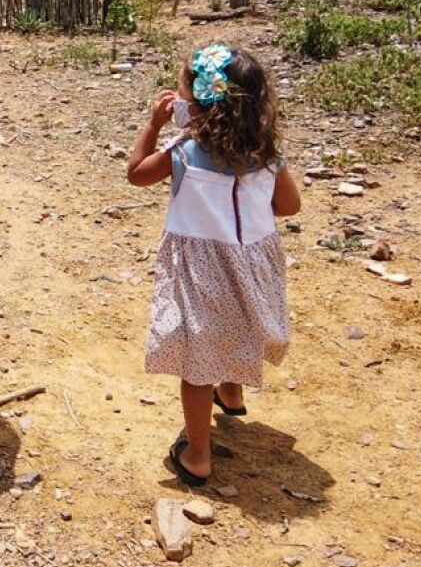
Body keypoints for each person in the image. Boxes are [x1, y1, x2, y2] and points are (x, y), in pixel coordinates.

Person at [126, 44, 301, 486]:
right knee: (236, 329)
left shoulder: (184, 152)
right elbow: (290, 206)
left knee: (196, 364)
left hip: (201, 272)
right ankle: (232, 391)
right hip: (251, 266)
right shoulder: (266, 153)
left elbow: (136, 173)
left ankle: (198, 456)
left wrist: (153, 125)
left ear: (195, 105)